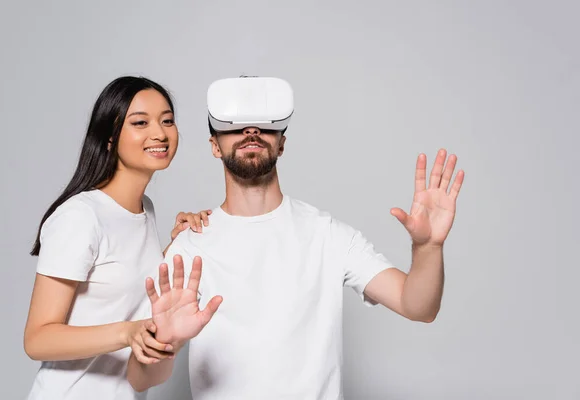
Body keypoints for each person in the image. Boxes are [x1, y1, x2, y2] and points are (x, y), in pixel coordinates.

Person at [127, 76, 465, 399]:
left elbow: (418, 306)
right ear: (215, 146)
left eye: (264, 124)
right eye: (235, 125)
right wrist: (164, 343)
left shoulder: (327, 234)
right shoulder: (190, 244)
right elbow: (142, 376)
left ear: (282, 143)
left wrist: (428, 247)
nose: (251, 131)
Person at [23, 76, 210, 400]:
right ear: (110, 137)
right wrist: (127, 333)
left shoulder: (144, 209)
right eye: (141, 122)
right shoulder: (80, 216)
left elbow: (127, 280)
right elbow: (37, 339)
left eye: (167, 121)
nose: (159, 133)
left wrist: (175, 244)